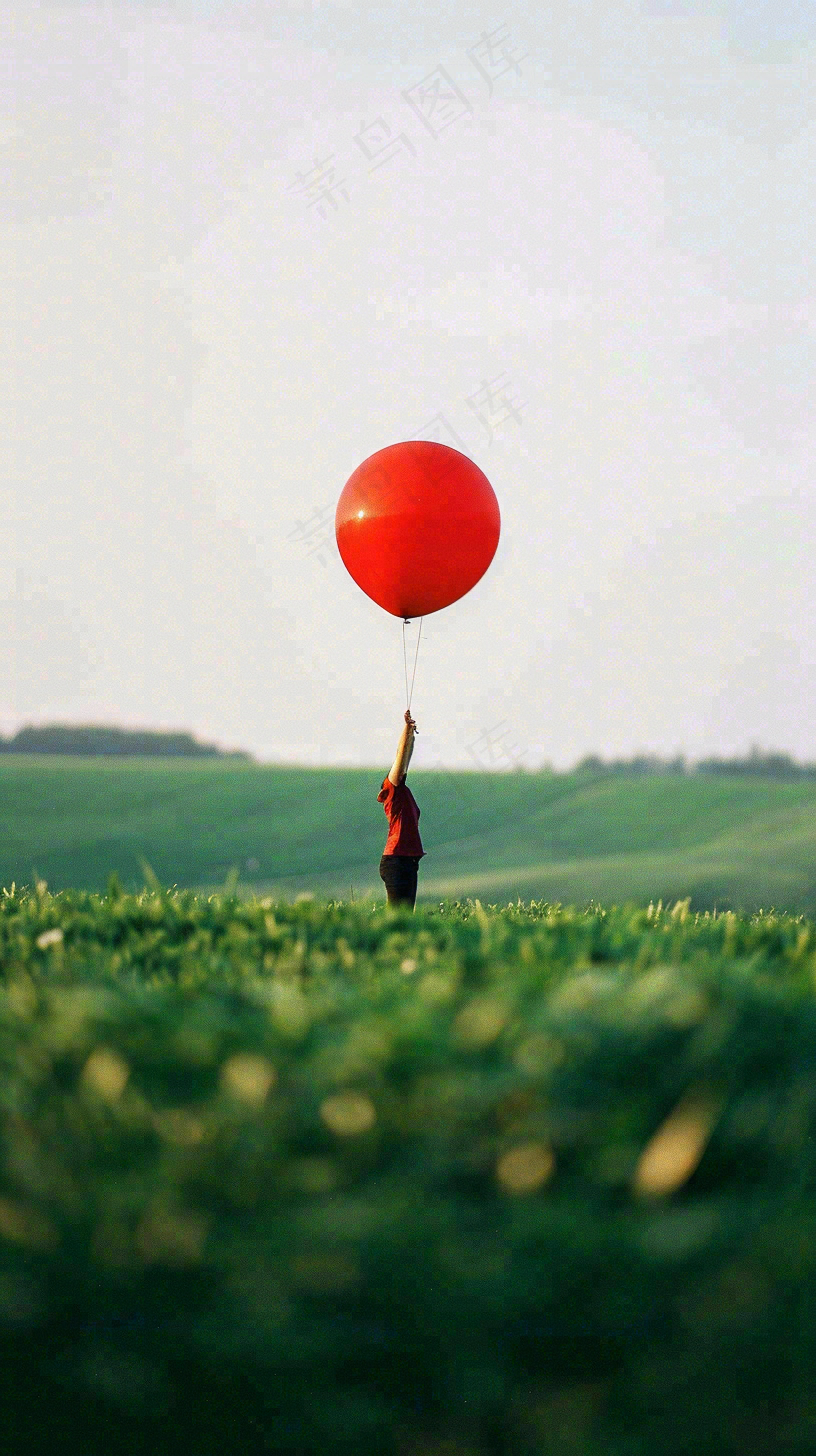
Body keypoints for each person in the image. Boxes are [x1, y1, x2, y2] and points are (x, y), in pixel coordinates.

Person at [378, 709, 425, 910]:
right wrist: (405, 730)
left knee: (406, 915)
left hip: (408, 861)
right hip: (396, 860)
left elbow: (405, 759)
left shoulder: (404, 792)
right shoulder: (392, 790)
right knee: (397, 915)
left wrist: (410, 732)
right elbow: (400, 757)